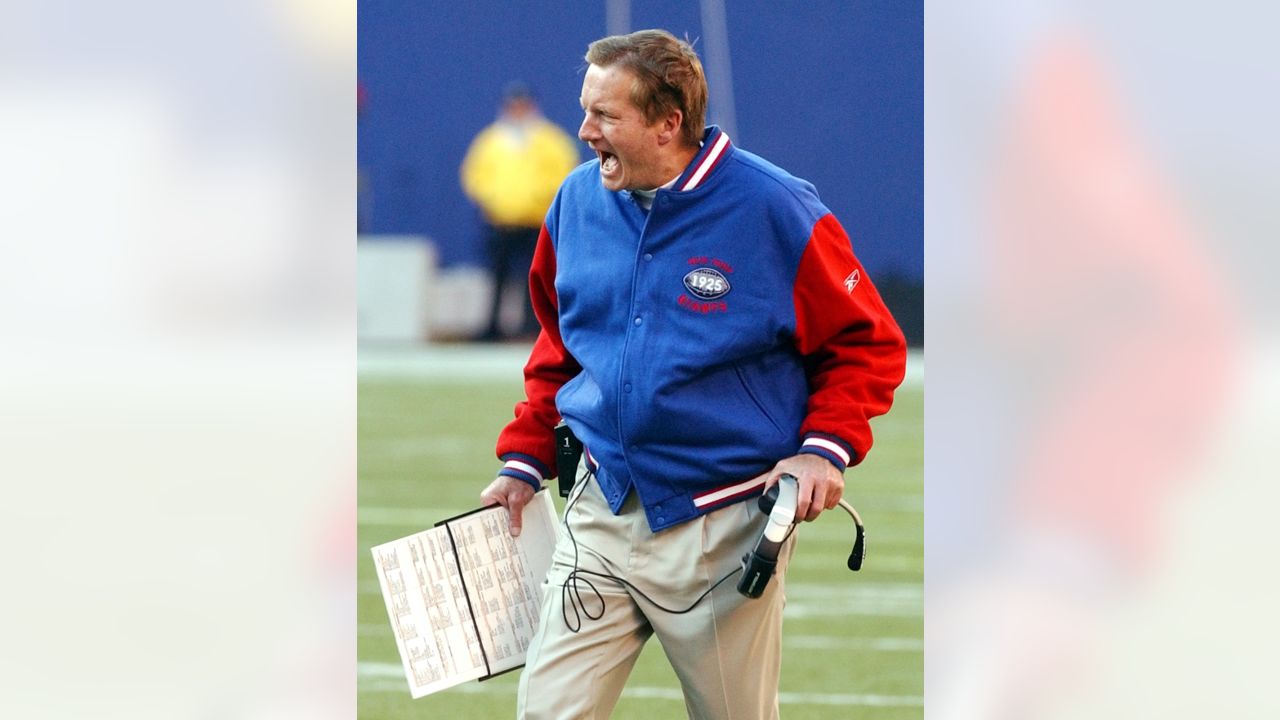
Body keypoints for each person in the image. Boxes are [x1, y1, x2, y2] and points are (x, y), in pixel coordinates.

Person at [479, 29, 907, 719]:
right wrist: (525, 456)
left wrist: (823, 447)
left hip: (725, 524)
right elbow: (560, 345)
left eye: (605, 116)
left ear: (668, 121)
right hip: (600, 506)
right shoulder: (576, 202)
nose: (584, 131)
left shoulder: (776, 208)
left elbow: (868, 342)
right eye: (585, 109)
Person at [461, 81, 580, 341]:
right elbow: (474, 173)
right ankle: (492, 326)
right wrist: (491, 198)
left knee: (536, 278)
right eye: (513, 105)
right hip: (500, 220)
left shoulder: (550, 139)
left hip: (535, 220)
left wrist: (540, 198)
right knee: (497, 277)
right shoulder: (492, 140)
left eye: (522, 104)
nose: (517, 110)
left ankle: (533, 327)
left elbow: (565, 171)